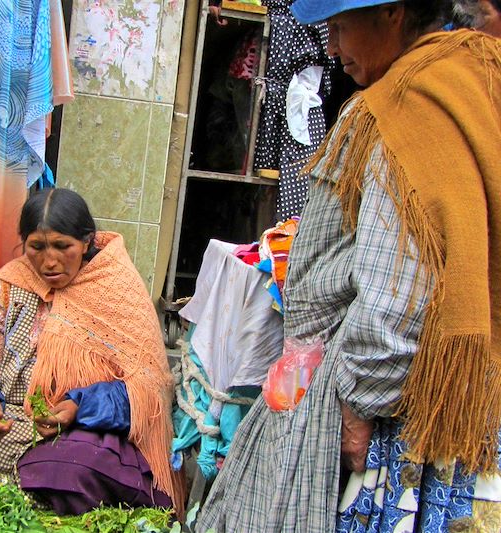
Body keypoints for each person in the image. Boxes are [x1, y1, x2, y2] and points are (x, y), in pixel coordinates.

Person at [195, 0, 501, 531]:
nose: (332, 49)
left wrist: (359, 407)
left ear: (393, 13)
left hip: (398, 409)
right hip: (471, 399)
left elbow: (396, 291)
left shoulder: (397, 112)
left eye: (338, 27)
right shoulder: (479, 80)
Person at [0, 188, 184, 515]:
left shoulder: (118, 289)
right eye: (36, 247)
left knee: (69, 471)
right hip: (15, 421)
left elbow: (146, 391)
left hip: (82, 431)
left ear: (87, 242)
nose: (49, 261)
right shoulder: (12, 285)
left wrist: (78, 407)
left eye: (63, 247)